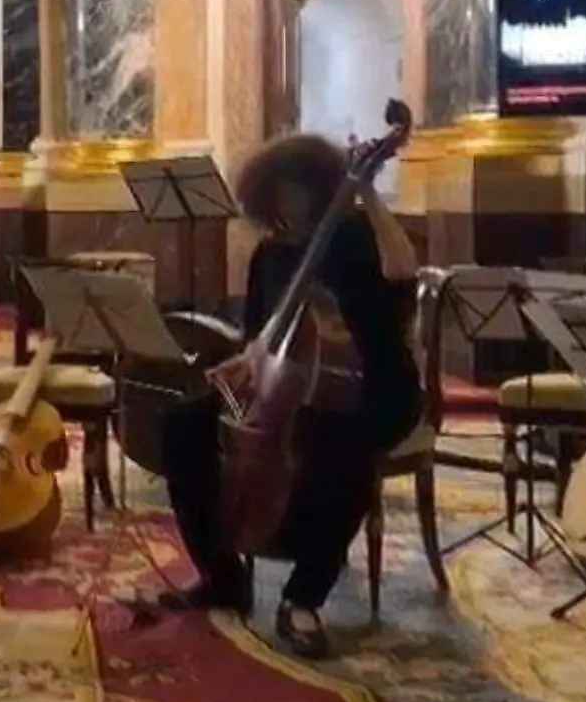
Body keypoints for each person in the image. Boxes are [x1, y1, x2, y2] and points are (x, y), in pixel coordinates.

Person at [158, 133, 421, 659]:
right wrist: (246, 360)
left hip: (373, 387)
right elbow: (261, 333)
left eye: (292, 193)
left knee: (340, 446)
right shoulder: (272, 252)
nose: (284, 208)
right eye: (274, 197)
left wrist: (367, 193)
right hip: (287, 385)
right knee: (183, 424)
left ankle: (302, 598)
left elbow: (404, 271)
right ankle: (222, 576)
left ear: (317, 188)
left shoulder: (356, 236)